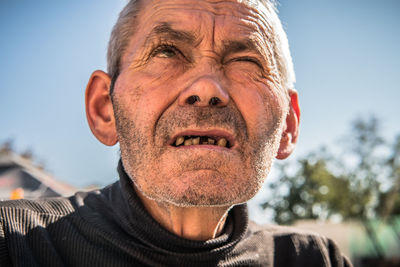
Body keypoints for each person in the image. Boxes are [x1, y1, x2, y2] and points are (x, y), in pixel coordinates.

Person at [0, 0, 352, 266]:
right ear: (104, 109)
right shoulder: (15, 244)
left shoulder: (314, 259)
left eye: (245, 61)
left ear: (288, 124)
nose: (207, 87)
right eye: (167, 52)